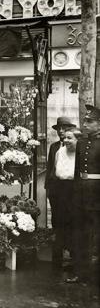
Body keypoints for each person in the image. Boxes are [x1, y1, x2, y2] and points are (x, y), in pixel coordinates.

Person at [67, 105, 100, 284]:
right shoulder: (81, 143)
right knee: (80, 235)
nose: (85, 124)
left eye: (90, 121)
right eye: (85, 121)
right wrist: (75, 195)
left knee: (96, 236)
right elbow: (77, 171)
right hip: (80, 195)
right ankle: (81, 272)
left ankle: (95, 276)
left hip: (96, 196)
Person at [45, 117, 77, 266]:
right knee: (56, 221)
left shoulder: (76, 146)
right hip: (55, 189)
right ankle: (57, 256)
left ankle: (71, 253)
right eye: (59, 129)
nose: (61, 131)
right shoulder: (54, 147)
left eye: (64, 128)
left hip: (70, 189)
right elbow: (50, 167)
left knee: (70, 220)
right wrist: (48, 188)